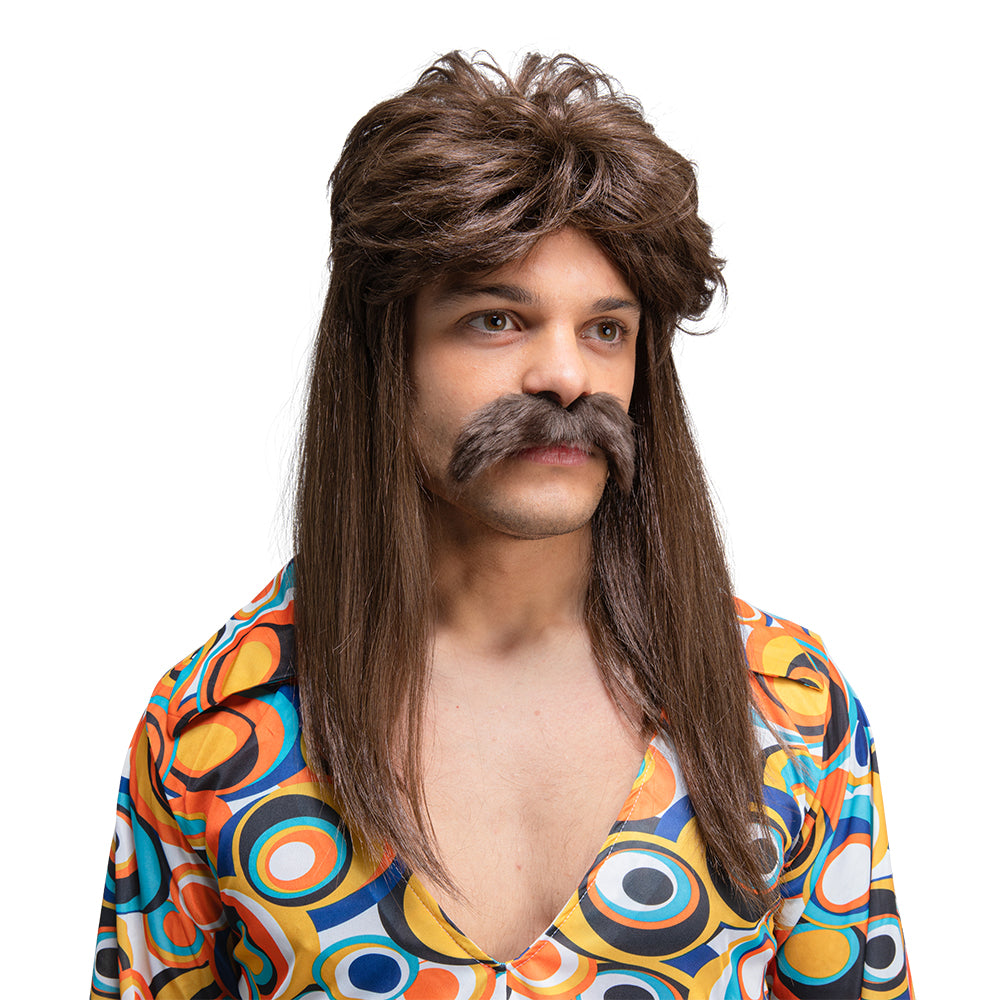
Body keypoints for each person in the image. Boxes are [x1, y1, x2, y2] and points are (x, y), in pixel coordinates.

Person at [91, 52, 913, 1000]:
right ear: (385, 357)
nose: (566, 376)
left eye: (606, 329)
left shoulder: (787, 707)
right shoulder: (213, 728)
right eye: (496, 319)